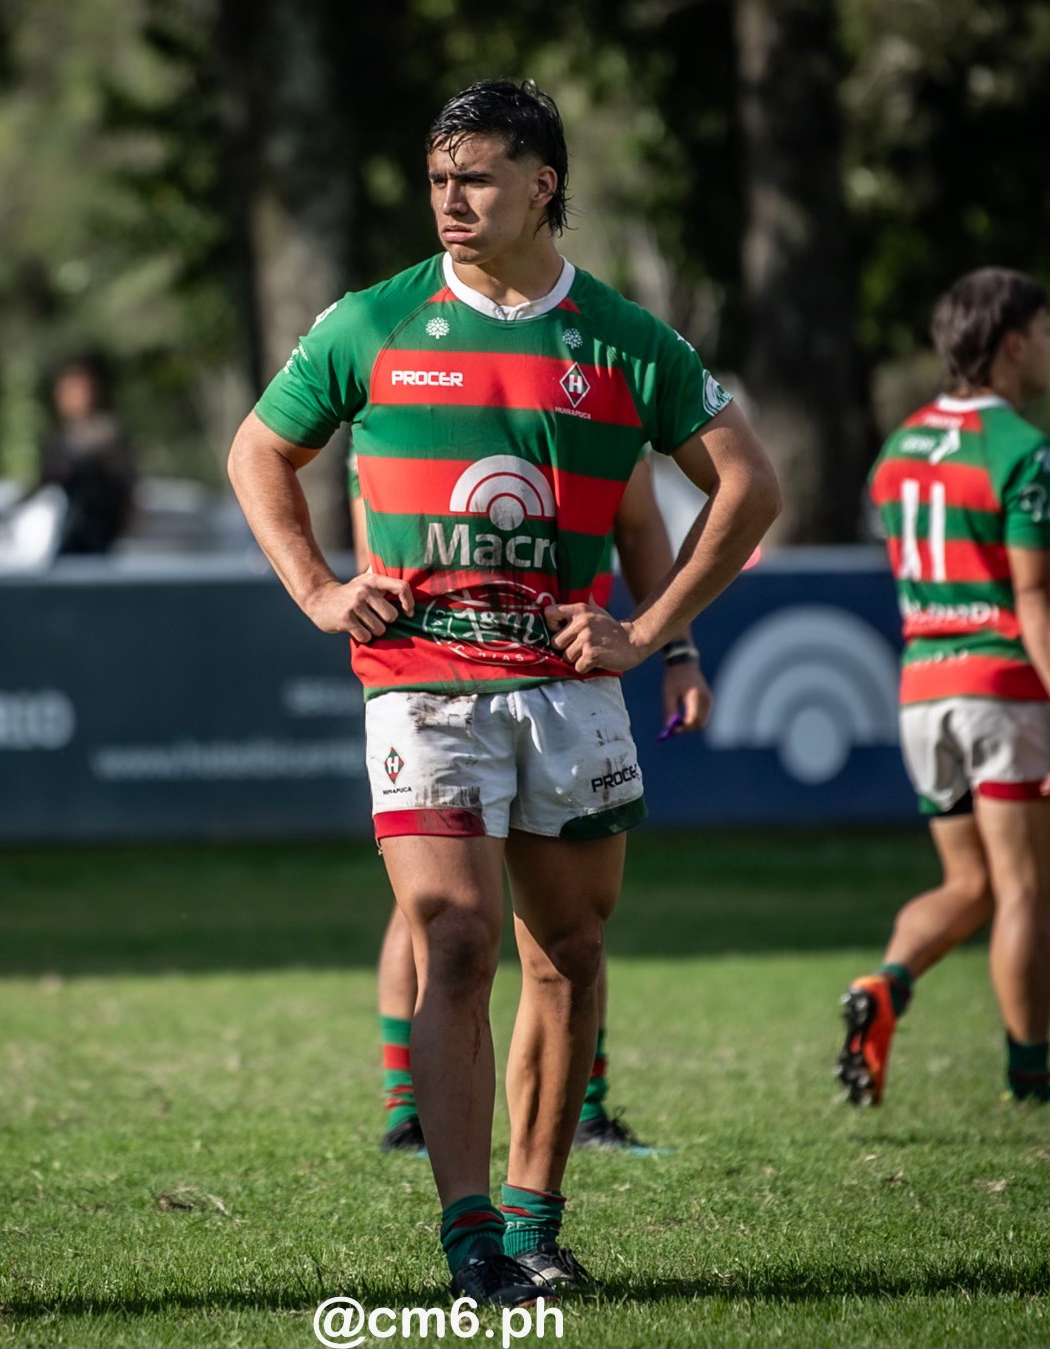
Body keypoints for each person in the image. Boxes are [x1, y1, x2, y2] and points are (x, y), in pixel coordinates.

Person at [227, 79, 779, 1304]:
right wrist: (317, 587)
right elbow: (258, 449)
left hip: (567, 690)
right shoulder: (370, 322)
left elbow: (747, 486)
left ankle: (535, 1222)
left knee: (569, 950)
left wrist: (652, 632)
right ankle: (468, 1235)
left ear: (542, 184)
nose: (450, 200)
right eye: (437, 179)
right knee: (455, 936)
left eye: (474, 177)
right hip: (418, 681)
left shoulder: (625, 338)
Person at [363, 456, 716, 1157]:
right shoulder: (396, 409)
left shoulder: (603, 397)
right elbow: (374, 543)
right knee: (441, 914)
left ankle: (583, 1110)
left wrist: (674, 648)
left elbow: (640, 523)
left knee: (571, 925)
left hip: (563, 683)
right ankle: (411, 1109)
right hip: (440, 685)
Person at [837, 267, 1050, 1109]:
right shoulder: (1026, 450)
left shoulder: (899, 449)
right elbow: (1036, 595)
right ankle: (1031, 1079)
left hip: (924, 690)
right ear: (1012, 344)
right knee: (1027, 891)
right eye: (1046, 332)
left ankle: (886, 984)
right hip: (1003, 688)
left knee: (973, 885)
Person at [39, 355, 136, 554]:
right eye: (64, 392)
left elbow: (126, 483)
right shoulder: (59, 438)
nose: (69, 398)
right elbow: (45, 483)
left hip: (97, 536)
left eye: (76, 391)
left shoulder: (106, 433)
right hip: (64, 534)